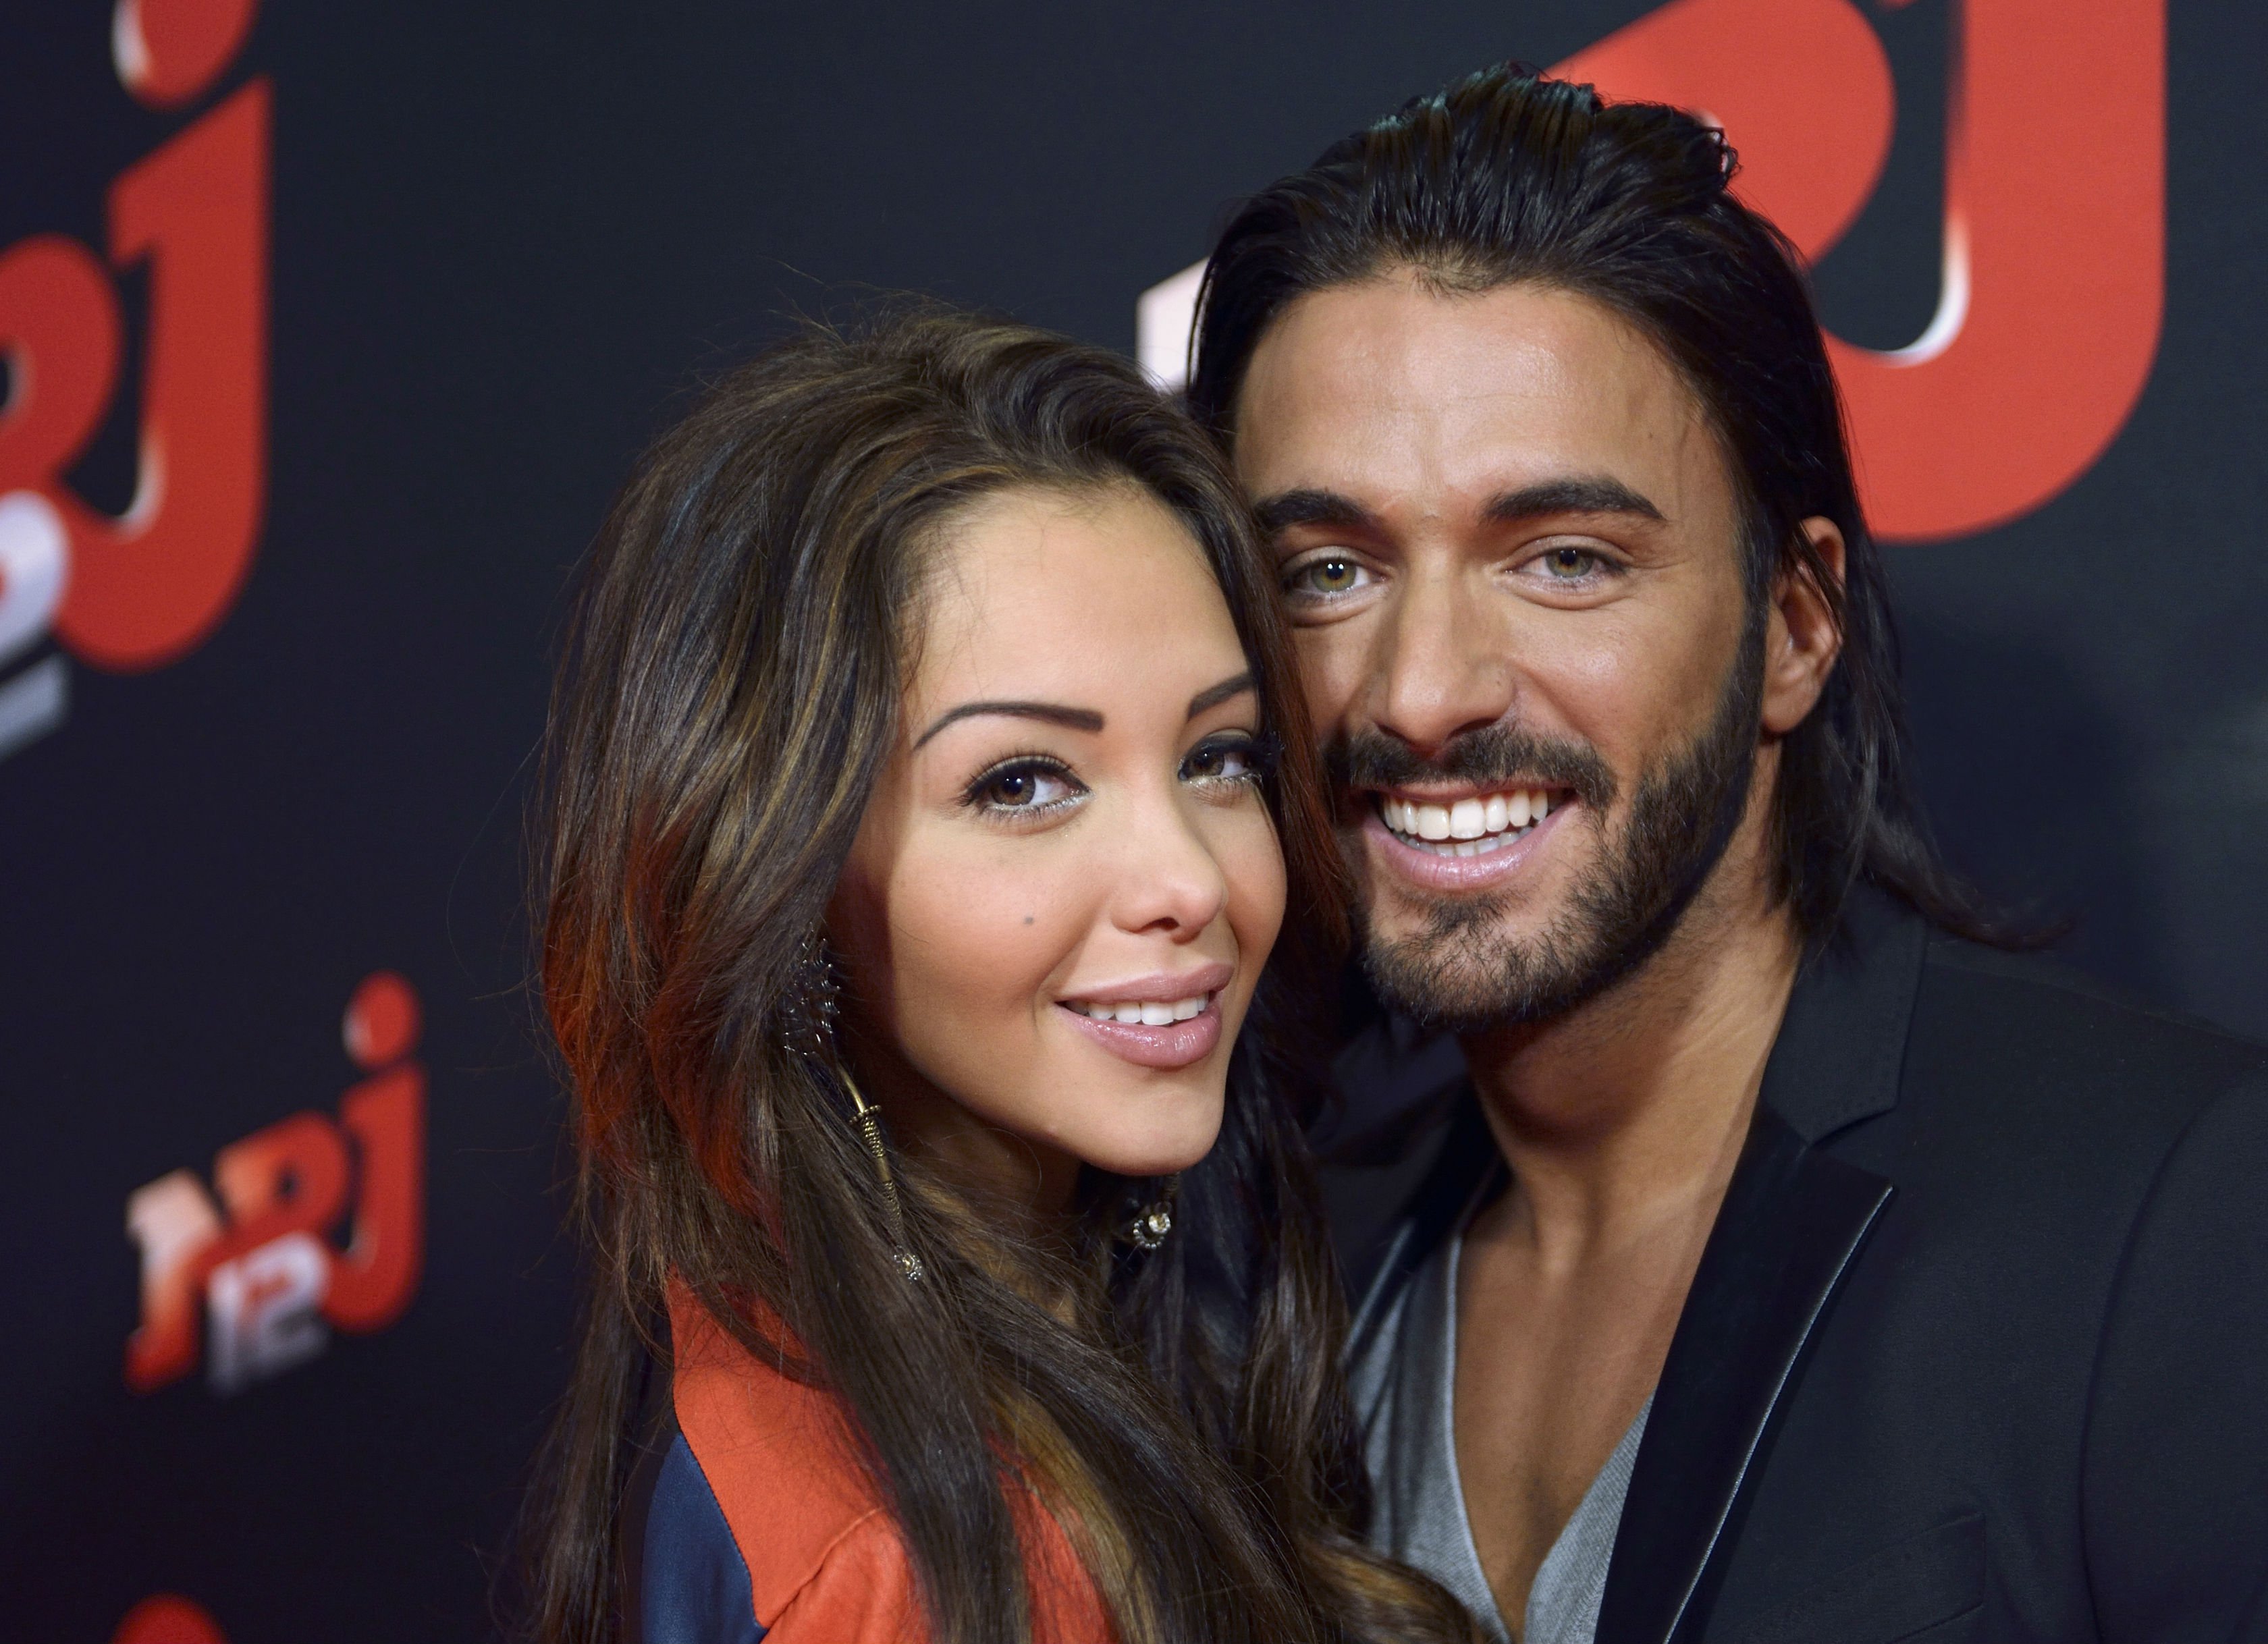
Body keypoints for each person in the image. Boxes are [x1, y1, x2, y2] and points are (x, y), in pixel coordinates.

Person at [1186, 63, 2268, 1644]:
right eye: (1328, 571)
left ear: (1795, 627)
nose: (1420, 693)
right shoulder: (1286, 1279)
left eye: (1564, 560)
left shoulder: (2172, 1215)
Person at [520, 308, 1471, 1644]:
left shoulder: (1013, 1307)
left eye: (1219, 759)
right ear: (781, 872)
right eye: (1023, 783)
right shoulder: (891, 1568)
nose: (1190, 881)